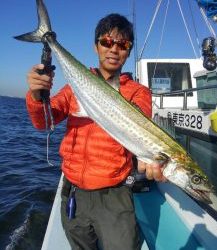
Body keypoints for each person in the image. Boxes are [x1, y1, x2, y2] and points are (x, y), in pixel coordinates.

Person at [26, 13, 166, 250]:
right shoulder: (75, 86)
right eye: (107, 42)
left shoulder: (138, 92)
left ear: (129, 51)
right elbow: (44, 122)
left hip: (114, 195)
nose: (114, 50)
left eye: (122, 45)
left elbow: (136, 128)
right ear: (96, 46)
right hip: (73, 193)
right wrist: (37, 95)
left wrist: (150, 156)